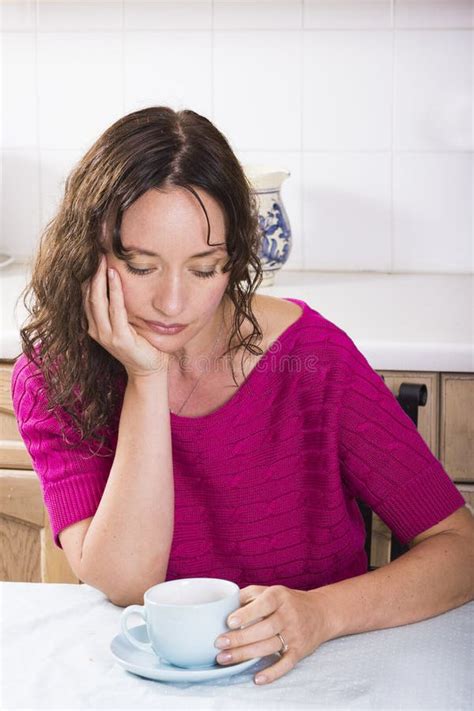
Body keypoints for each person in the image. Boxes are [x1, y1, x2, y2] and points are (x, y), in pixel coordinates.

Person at [11, 106, 474, 686]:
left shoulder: (313, 357)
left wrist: (323, 613)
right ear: (91, 253)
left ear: (236, 262)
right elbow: (129, 582)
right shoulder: (55, 377)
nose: (172, 304)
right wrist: (147, 380)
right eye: (140, 266)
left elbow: (460, 548)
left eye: (205, 269)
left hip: (320, 675)